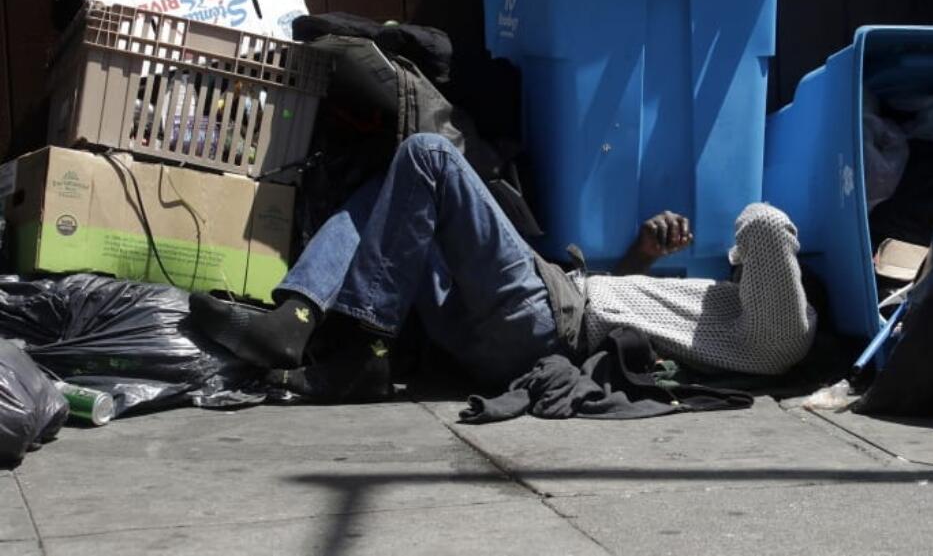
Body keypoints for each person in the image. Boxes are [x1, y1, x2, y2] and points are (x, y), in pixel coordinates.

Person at [189, 134, 816, 400]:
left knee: (429, 155)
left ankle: (351, 343)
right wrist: (643, 258)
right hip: (523, 332)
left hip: (543, 319)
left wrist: (751, 254)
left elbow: (761, 223)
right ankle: (300, 318)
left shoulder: (781, 338)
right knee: (394, 190)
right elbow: (621, 314)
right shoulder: (725, 326)